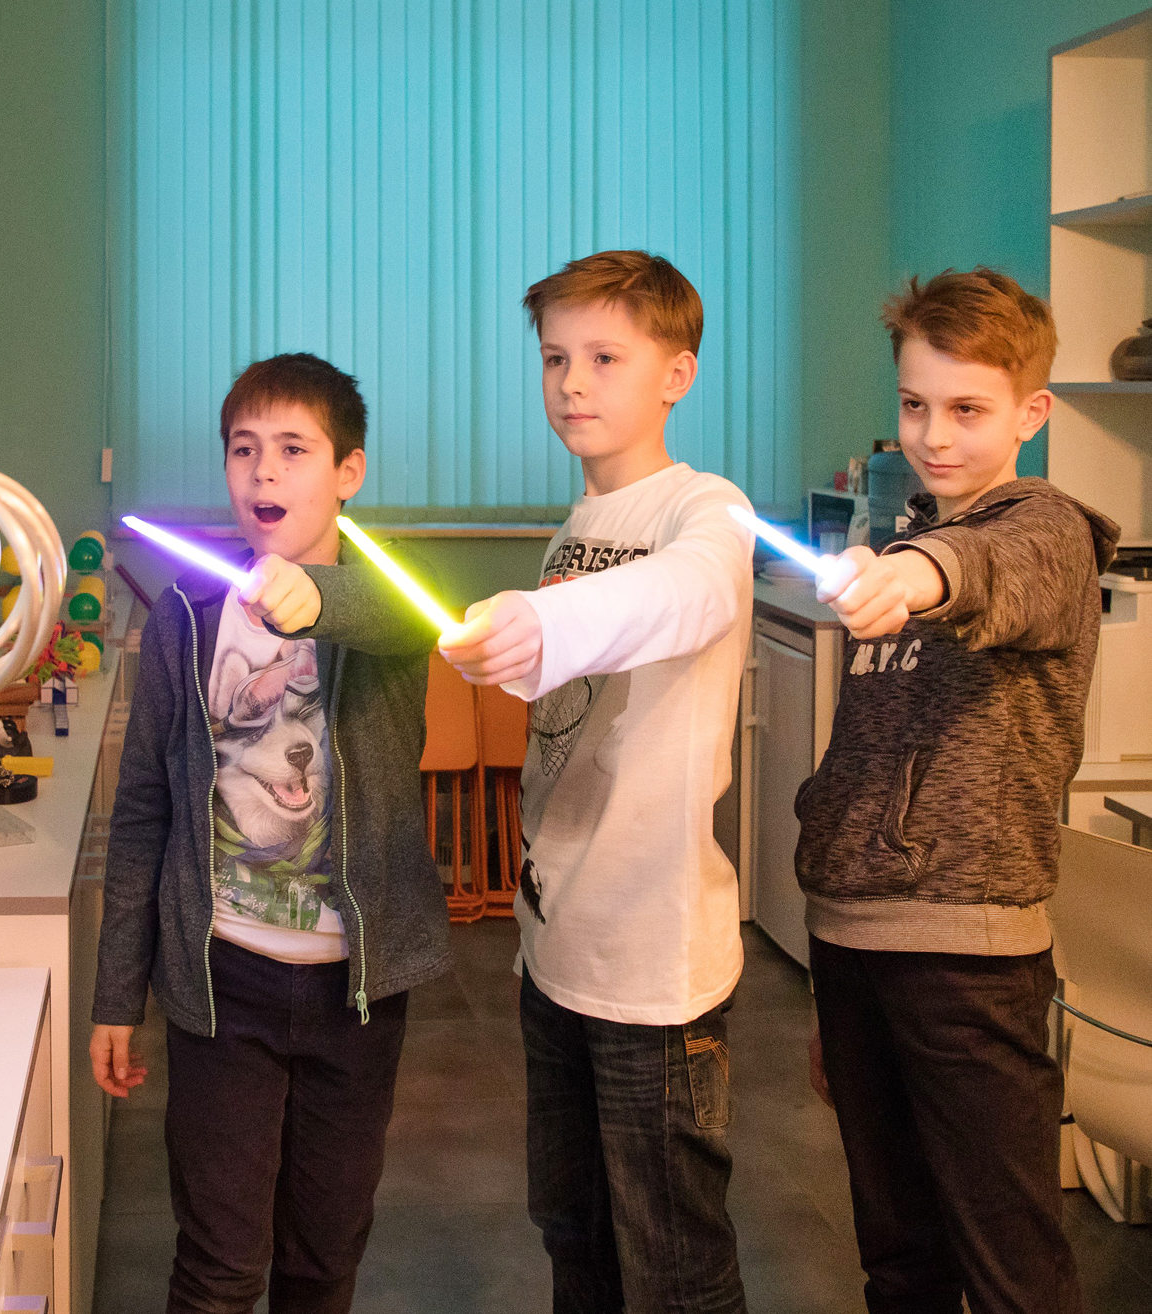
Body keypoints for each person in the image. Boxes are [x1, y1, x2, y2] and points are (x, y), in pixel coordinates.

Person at [90, 352, 452, 1314]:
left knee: (322, 1261)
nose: (264, 471)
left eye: (294, 449)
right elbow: (143, 809)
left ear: (349, 471)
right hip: (222, 984)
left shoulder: (390, 592)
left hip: (355, 992)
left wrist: (316, 598)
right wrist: (117, 994)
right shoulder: (188, 612)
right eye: (244, 449)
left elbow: (409, 614)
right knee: (217, 1265)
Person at [798, 267, 1118, 1314]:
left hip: (966, 955)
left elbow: (982, 564)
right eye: (913, 404)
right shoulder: (898, 540)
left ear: (1031, 412)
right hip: (855, 942)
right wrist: (830, 983)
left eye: (967, 409)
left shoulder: (1048, 530)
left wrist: (912, 573)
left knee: (1011, 1266)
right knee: (899, 1259)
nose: (932, 436)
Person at [441, 250, 754, 1314]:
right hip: (556, 951)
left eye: (604, 357)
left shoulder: (703, 509)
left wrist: (540, 624)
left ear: (677, 374)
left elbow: (691, 590)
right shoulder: (575, 529)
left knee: (672, 1264)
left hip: (653, 971)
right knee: (572, 1235)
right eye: (554, 358)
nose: (571, 382)